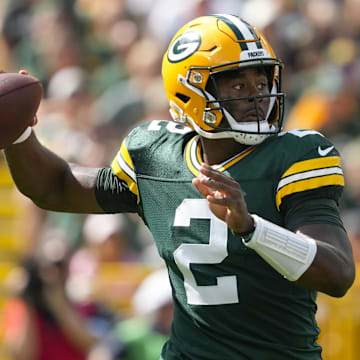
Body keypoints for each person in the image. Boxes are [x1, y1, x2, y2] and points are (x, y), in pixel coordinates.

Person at [3, 14, 355, 360]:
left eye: (261, 83)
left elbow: (338, 273)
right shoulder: (156, 154)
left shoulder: (297, 155)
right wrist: (18, 135)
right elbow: (57, 187)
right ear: (190, 93)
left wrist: (252, 228)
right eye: (237, 85)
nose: (257, 96)